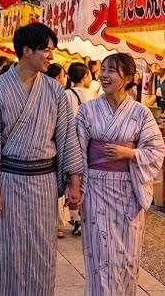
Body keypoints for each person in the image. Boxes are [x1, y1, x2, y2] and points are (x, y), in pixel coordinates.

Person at [0, 23, 84, 296]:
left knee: (43, 251)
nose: (51, 56)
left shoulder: (55, 91)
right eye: (46, 50)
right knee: (7, 250)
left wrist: (74, 183)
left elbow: (67, 138)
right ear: (27, 51)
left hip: (43, 183)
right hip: (9, 181)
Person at [76, 53, 165, 295]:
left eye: (111, 71)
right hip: (95, 187)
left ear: (127, 78)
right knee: (99, 256)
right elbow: (76, 150)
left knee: (127, 257)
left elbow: (156, 149)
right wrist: (76, 187)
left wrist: (129, 153)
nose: (104, 75)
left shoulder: (140, 112)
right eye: (103, 69)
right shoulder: (87, 110)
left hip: (128, 190)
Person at [61, 62, 97, 236]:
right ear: (84, 77)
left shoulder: (65, 94)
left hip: (70, 140)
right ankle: (84, 218)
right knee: (85, 179)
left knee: (71, 180)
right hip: (88, 142)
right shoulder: (93, 95)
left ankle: (75, 218)